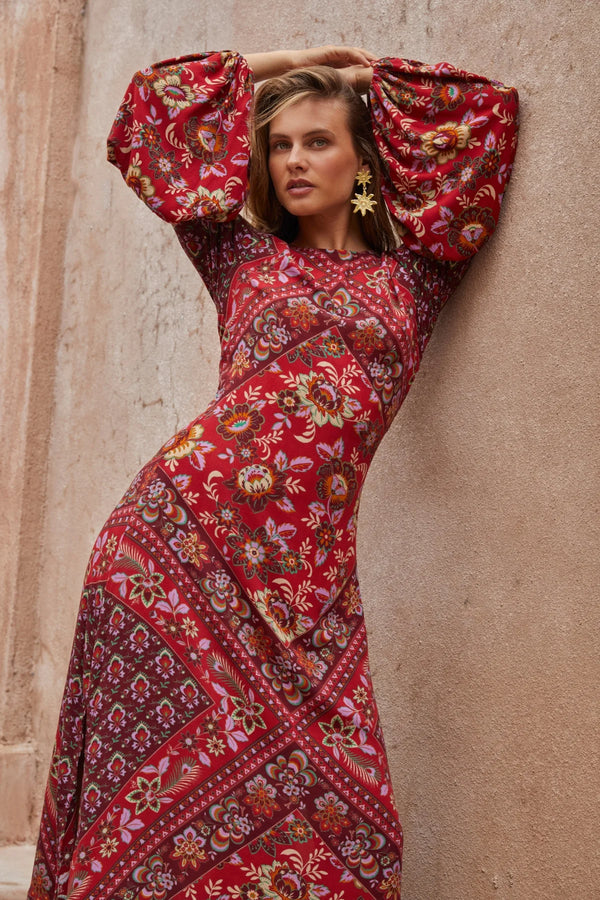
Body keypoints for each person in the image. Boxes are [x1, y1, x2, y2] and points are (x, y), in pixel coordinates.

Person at [28, 45, 518, 900]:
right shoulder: (240, 258)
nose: (293, 159)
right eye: (280, 144)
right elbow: (149, 112)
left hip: (310, 584)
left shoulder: (415, 277)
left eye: (318, 141)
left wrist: (364, 84)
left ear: (365, 159)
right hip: (172, 549)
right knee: (150, 804)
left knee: (349, 821)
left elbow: (485, 120)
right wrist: (292, 63)